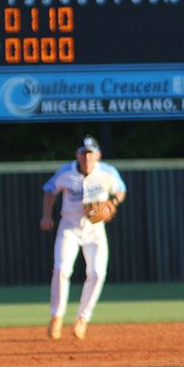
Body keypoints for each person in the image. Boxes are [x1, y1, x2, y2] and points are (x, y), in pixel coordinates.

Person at [40, 136, 126, 341]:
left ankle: (82, 318)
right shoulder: (65, 172)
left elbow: (121, 190)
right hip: (69, 227)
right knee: (61, 269)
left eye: (90, 152)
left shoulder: (107, 172)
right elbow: (49, 190)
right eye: (83, 152)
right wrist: (46, 215)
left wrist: (113, 202)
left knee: (97, 273)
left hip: (95, 229)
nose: (87, 156)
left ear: (98, 155)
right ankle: (56, 317)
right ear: (77, 154)